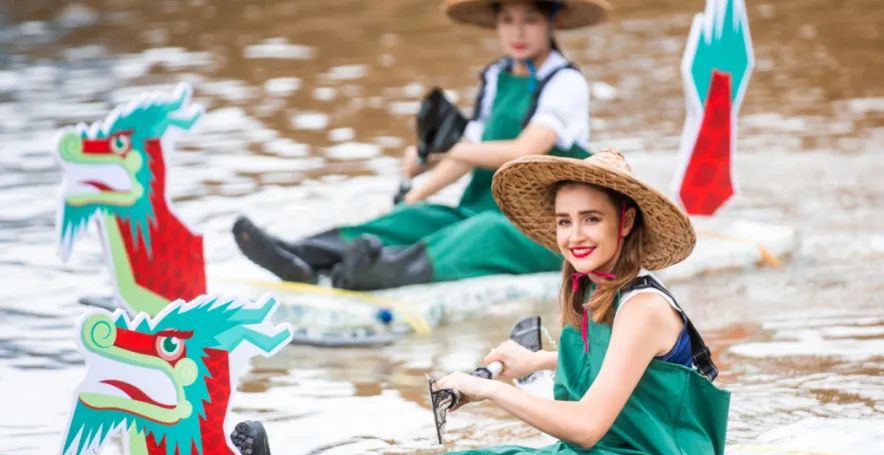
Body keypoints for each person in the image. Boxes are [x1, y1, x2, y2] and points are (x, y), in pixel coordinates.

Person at [231, 148, 731, 455]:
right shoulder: (594, 290)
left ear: (625, 222)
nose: (574, 234)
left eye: (591, 219)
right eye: (564, 221)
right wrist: (535, 363)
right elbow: (624, 369)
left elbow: (588, 425)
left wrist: (494, 389)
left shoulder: (643, 306)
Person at [232, 0, 609, 291]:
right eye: (507, 20)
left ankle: (378, 271)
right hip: (482, 207)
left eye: (530, 19)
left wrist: (440, 152)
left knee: (484, 233)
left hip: (545, 229)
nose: (518, 31)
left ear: (552, 22)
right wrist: (417, 193)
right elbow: (473, 151)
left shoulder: (566, 82)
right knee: (416, 218)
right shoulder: (495, 76)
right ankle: (302, 255)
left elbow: (523, 151)